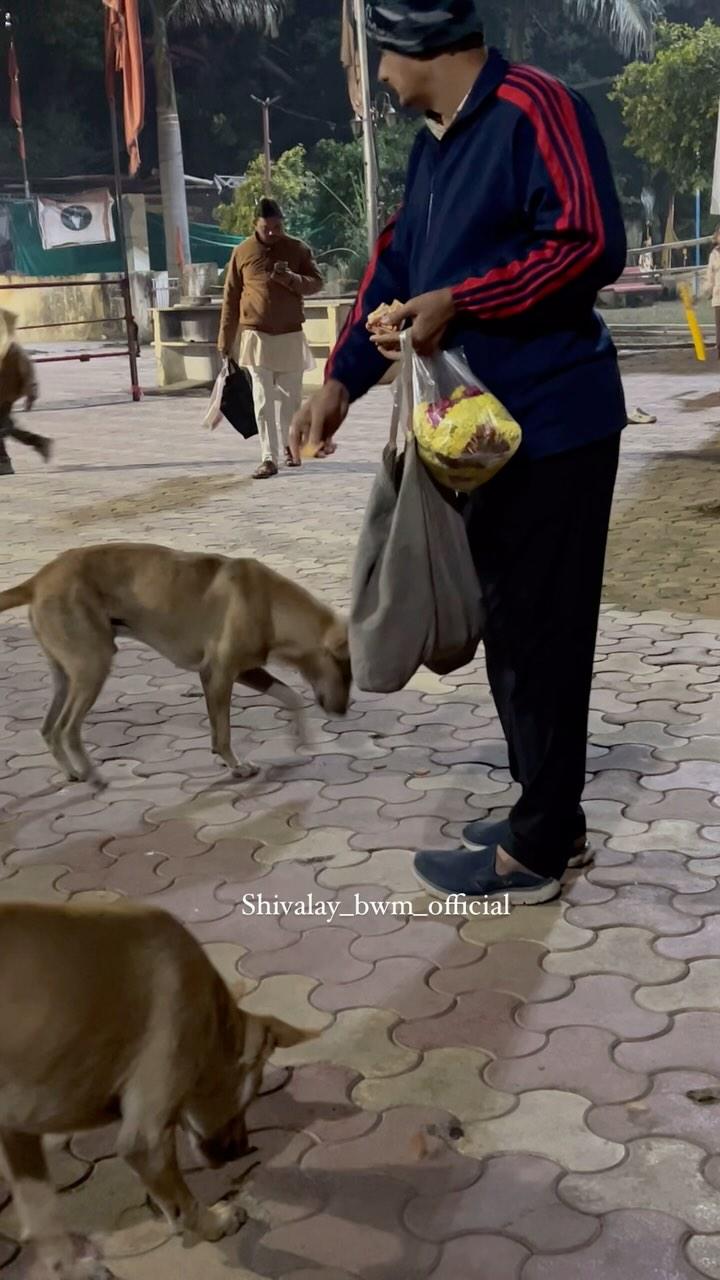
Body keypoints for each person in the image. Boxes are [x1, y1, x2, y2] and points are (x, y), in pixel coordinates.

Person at [290, 0, 628, 906]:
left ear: (413, 48)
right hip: (476, 437)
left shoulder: (535, 107)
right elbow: (396, 270)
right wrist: (339, 380)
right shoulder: (436, 143)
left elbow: (591, 243)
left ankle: (541, 845)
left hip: (555, 424)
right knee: (512, 628)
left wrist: (464, 301)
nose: (373, 80)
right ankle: (544, 811)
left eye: (375, 60)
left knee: (545, 634)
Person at [218, 198, 323, 479]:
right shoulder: (242, 252)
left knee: (291, 400)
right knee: (262, 400)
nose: (274, 232)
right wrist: (224, 341)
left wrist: (292, 279)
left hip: (289, 333)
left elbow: (316, 282)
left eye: (278, 226)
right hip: (255, 335)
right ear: (256, 224)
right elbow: (230, 298)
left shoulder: (297, 248)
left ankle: (291, 449)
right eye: (268, 227)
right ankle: (268, 458)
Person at [0, 309, 52, 476]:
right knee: (4, 426)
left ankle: (4, 462)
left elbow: (27, 370)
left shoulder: (11, 349)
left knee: (3, 426)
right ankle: (38, 442)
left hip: (5, 394)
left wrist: (31, 393)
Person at [706, 225, 720, 359]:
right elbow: (710, 276)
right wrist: (708, 290)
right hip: (718, 295)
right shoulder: (713, 255)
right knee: (719, 324)